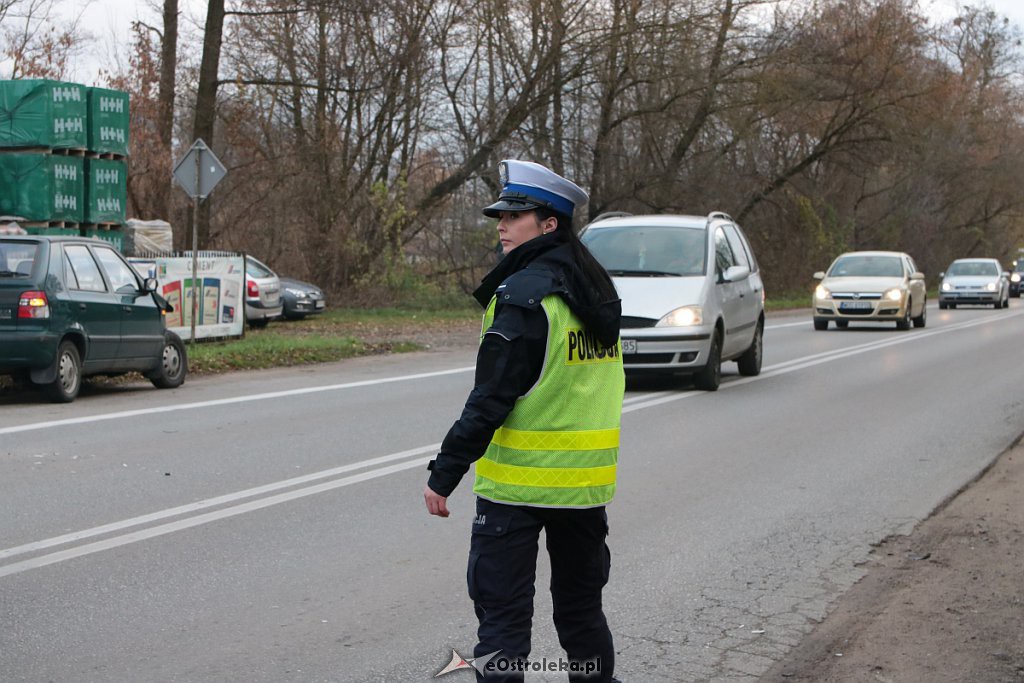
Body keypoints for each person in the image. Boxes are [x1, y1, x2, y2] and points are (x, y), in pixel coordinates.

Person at [424, 160, 625, 683]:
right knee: (582, 617)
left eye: (516, 215)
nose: (501, 224)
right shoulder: (595, 293)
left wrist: (445, 472)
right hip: (581, 491)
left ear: (549, 223)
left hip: (515, 490)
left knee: (503, 627)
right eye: (501, 215)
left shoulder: (522, 298)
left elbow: (490, 399)